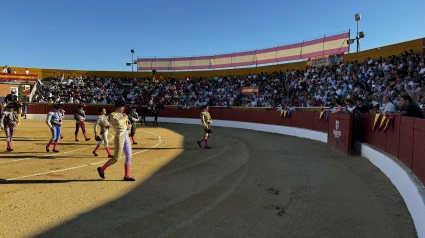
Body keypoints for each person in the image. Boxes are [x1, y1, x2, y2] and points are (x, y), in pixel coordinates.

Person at [97, 100, 135, 181]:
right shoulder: (112, 115)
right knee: (116, 158)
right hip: (119, 137)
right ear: (118, 107)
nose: (124, 108)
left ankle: (127, 176)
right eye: (122, 107)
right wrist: (125, 117)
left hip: (125, 136)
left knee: (129, 155)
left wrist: (129, 125)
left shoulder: (123, 114)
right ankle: (102, 169)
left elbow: (128, 123)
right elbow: (118, 122)